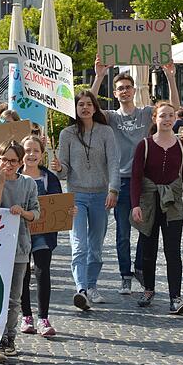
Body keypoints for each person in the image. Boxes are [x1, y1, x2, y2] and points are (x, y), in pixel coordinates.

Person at [91, 55, 180, 295]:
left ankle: (140, 267)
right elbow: (88, 108)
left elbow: (174, 109)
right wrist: (99, 76)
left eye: (128, 87)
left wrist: (170, 76)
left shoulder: (145, 113)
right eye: (120, 89)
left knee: (145, 228)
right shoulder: (111, 117)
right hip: (120, 181)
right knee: (122, 232)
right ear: (115, 93)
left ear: (134, 90)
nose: (125, 91)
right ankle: (125, 275)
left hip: (144, 183)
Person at [50, 91, 120, 309]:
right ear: (75, 108)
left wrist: (113, 189)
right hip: (76, 196)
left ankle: (92, 286)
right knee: (79, 244)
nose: (85, 108)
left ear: (95, 108)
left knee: (96, 247)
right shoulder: (67, 134)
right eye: (81, 104)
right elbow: (63, 172)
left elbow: (113, 163)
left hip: (101, 195)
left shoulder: (106, 132)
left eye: (89, 104)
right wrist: (60, 168)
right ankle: (80, 289)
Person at [130, 102, 183, 314]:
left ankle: (175, 297)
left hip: (173, 204)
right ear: (154, 119)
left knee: (173, 252)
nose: (167, 119)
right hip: (149, 203)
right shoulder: (145, 145)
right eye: (162, 116)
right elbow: (136, 178)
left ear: (175, 119)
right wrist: (135, 205)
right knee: (148, 250)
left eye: (170, 116)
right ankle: (148, 289)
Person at [0, 140, 40, 364]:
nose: (9, 164)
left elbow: (37, 212)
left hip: (19, 247)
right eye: (4, 160)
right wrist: (1, 184)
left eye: (13, 160)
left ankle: (9, 338)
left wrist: (23, 213)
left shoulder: (28, 184)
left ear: (20, 162)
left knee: (14, 298)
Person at [19, 134, 74, 337]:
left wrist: (68, 211)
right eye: (27, 151)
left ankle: (43, 317)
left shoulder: (48, 178)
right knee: (22, 273)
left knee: (43, 271)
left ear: (42, 155)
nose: (31, 154)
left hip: (43, 231)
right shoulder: (13, 177)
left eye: (35, 151)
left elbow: (58, 204)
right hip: (20, 232)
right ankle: (26, 315)